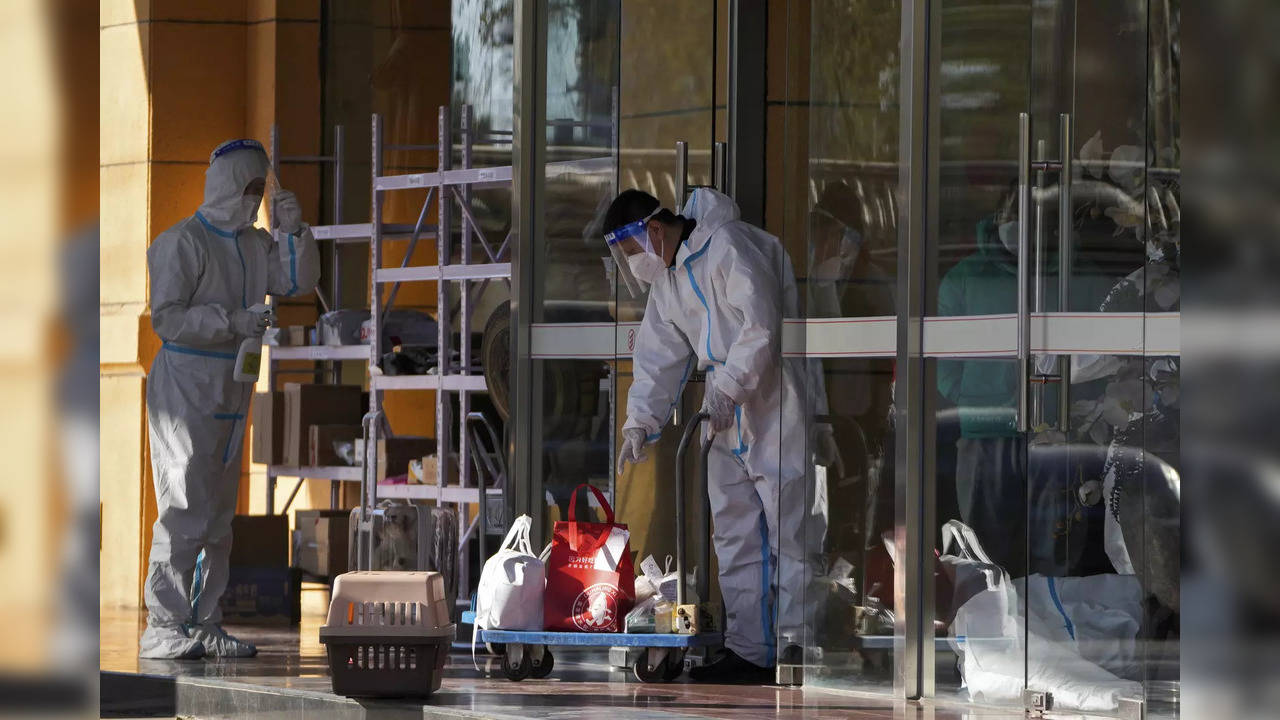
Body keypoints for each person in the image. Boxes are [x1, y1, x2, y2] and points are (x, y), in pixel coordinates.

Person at [608, 187, 825, 683]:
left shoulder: (727, 246)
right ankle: (750, 650)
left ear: (654, 231)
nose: (633, 265)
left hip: (771, 398)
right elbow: (658, 358)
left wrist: (728, 388)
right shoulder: (669, 281)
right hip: (722, 407)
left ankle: (796, 650)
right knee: (734, 531)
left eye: (631, 252)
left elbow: (762, 326)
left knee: (790, 529)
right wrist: (638, 422)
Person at [139, 139, 319, 659]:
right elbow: (168, 318)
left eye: (260, 188)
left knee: (218, 513)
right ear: (224, 185)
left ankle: (203, 619)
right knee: (184, 504)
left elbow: (297, 279)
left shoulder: (253, 243)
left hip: (233, 384)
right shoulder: (182, 243)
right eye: (248, 187)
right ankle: (166, 625)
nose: (254, 196)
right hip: (186, 386)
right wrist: (232, 322)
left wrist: (294, 232)